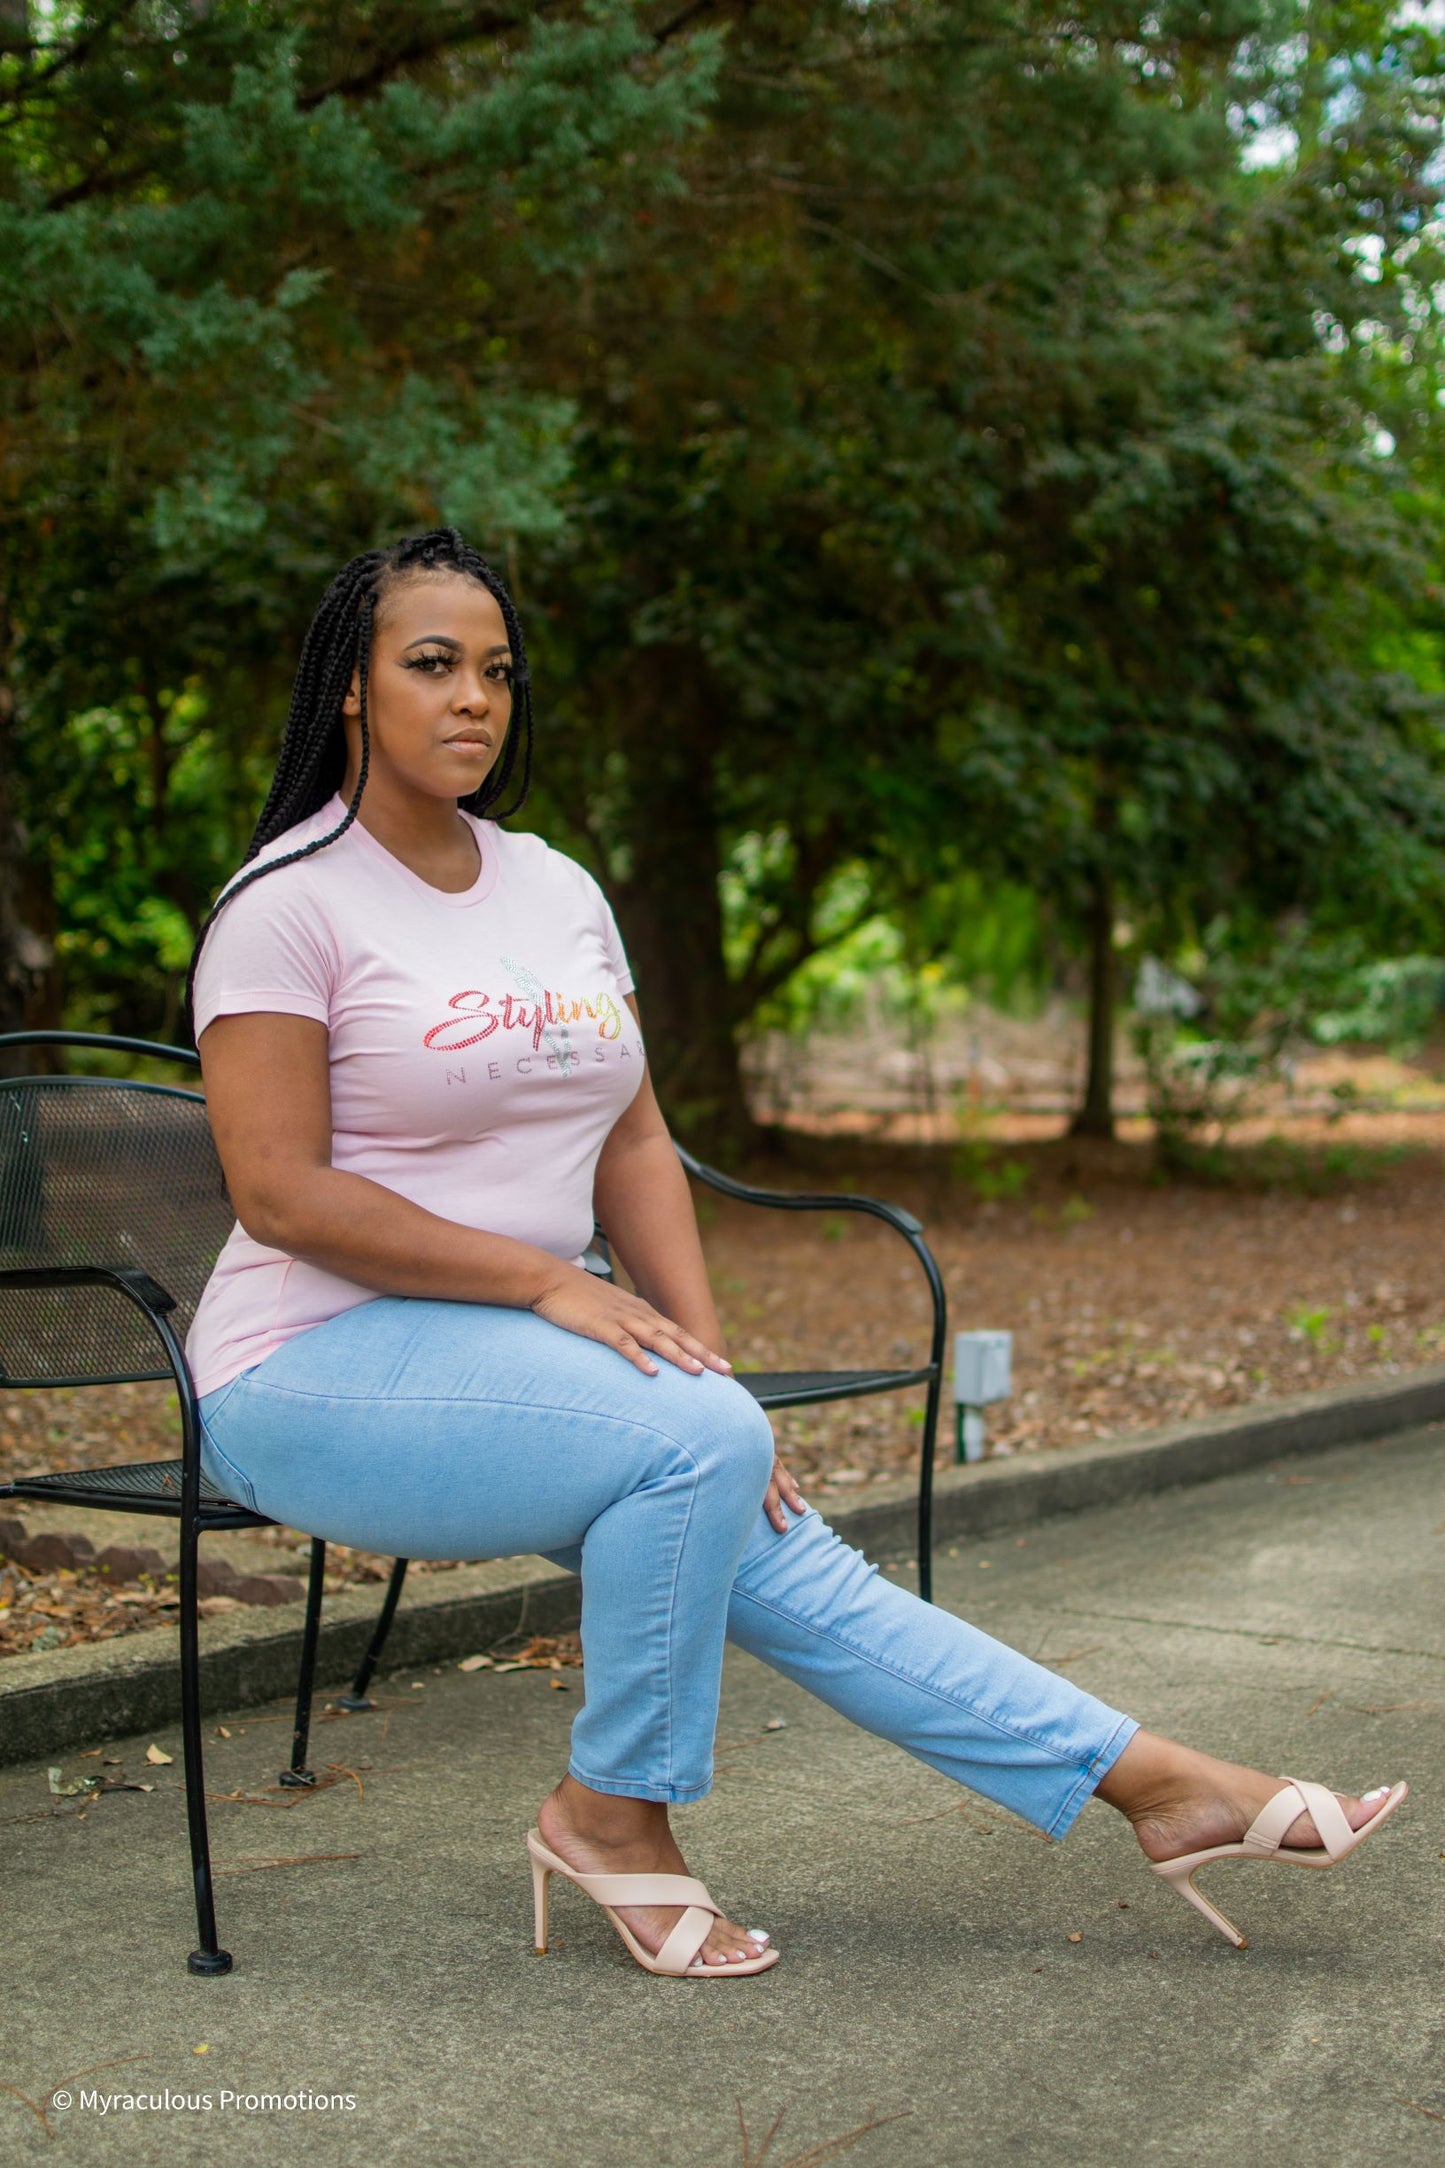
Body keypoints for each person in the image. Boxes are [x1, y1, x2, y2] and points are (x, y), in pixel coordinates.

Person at [187, 528, 1406, 1979]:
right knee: (694, 1459)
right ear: (349, 688)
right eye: (431, 666)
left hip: (516, 1361)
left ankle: (1158, 1784)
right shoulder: (288, 902)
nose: (472, 700)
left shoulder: (553, 889)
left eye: (496, 672)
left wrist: (713, 1377)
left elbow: (633, 1142)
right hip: (307, 1369)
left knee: (765, 1531)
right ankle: (610, 1819)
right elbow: (278, 1195)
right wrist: (555, 1285)